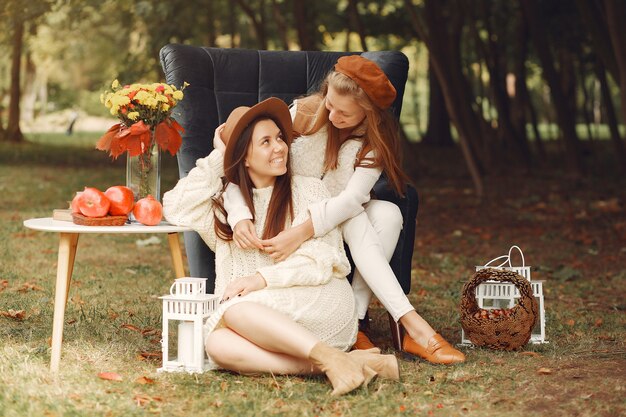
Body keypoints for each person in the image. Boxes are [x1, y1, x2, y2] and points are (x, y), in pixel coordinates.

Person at [222, 56, 465, 364]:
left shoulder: (373, 143)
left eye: (344, 113)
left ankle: (359, 319)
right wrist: (239, 212)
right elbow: (231, 168)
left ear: (368, 114)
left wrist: (303, 231)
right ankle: (413, 325)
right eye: (331, 105)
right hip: (291, 204)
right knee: (356, 215)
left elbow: (351, 199)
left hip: (328, 213)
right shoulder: (306, 113)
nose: (333, 115)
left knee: (389, 215)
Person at [162, 98, 398, 396]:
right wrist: (220, 155)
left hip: (320, 303)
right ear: (243, 157)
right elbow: (174, 205)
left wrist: (260, 279)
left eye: (280, 138)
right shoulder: (225, 209)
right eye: (266, 142)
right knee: (217, 345)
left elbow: (324, 259)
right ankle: (342, 363)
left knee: (233, 312)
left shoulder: (308, 188)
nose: (280, 147)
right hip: (261, 322)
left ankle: (333, 357)